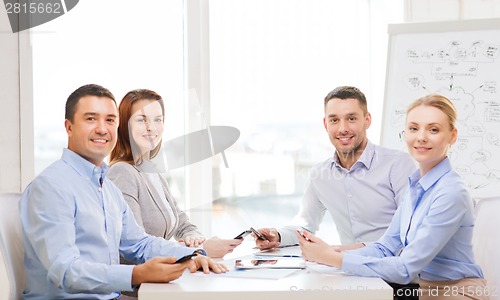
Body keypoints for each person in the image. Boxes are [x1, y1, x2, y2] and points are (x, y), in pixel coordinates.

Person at [19, 84, 227, 300]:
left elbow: (139, 243)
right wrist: (136, 274)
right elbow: (66, 272)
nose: (102, 128)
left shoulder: (106, 188)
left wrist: (191, 254)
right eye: (91, 119)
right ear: (69, 127)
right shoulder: (51, 187)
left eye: (109, 120)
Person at [297, 94, 489, 300]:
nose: (421, 137)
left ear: (452, 136)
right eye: (414, 128)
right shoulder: (416, 186)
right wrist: (331, 253)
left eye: (433, 129)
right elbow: (386, 246)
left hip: (456, 291)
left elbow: (405, 268)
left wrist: (333, 259)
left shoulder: (451, 192)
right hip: (421, 289)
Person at [255, 86, 416, 251]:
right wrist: (277, 236)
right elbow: (305, 225)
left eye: (351, 119)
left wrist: (344, 251)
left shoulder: (398, 164)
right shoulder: (319, 174)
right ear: (326, 124)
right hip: (346, 268)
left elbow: (410, 231)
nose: (342, 128)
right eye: (334, 120)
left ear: (367, 120)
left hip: (393, 271)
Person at [108, 89, 242, 258]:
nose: (151, 128)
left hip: (161, 277)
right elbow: (136, 246)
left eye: (158, 120)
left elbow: (181, 222)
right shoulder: (122, 173)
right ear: (125, 125)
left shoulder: (151, 171)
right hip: (140, 282)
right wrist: (199, 251)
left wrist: (191, 237)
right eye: (142, 120)